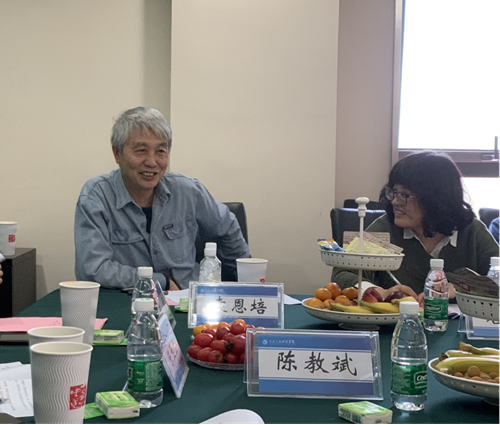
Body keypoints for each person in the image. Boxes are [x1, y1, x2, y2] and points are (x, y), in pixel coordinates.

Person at [75, 107, 250, 290]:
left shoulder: (189, 191)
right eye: (141, 150)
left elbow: (227, 229)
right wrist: (159, 281)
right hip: (132, 301)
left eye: (160, 151)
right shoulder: (96, 197)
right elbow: (92, 269)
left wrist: (242, 285)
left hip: (189, 297)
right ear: (117, 153)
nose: (152, 162)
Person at [331, 151, 500, 304]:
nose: (394, 202)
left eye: (404, 195)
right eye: (393, 193)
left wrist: (460, 289)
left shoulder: (471, 231)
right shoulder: (385, 227)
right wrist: (376, 291)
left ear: (436, 199)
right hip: (396, 325)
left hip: (458, 325)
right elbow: (342, 273)